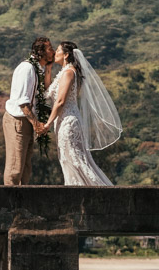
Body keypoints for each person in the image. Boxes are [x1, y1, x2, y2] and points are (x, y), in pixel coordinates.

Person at [37, 40, 120, 186]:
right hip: (62, 121)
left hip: (68, 121)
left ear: (66, 54)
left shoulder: (69, 73)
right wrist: (48, 69)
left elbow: (61, 101)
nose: (55, 53)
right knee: (67, 159)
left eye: (57, 50)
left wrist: (48, 124)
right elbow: (50, 92)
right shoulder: (65, 72)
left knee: (75, 160)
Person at [2, 37, 54, 185]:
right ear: (40, 52)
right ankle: (9, 205)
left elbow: (43, 92)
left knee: (25, 166)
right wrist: (36, 124)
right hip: (17, 120)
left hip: (25, 120)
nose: (53, 51)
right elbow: (23, 103)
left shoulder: (37, 69)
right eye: (50, 48)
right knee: (15, 167)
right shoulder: (27, 68)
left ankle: (22, 203)